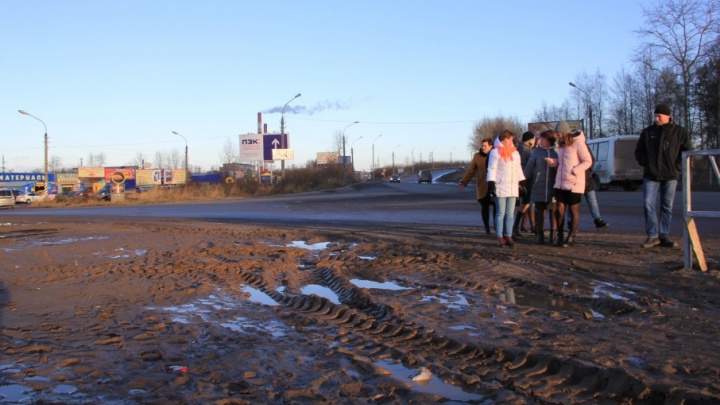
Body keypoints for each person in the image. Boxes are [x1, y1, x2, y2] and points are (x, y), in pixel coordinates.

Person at [634, 103, 692, 248]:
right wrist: (647, 163)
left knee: (667, 206)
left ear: (668, 116)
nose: (656, 118)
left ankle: (664, 235)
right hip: (651, 174)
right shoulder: (648, 132)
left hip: (671, 174)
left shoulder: (679, 132)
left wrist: (677, 167)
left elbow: (687, 151)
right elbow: (639, 151)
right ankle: (652, 235)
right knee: (648, 203)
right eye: (655, 116)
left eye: (659, 116)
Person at [551, 121, 592, 247]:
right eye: (557, 134)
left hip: (574, 182)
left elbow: (588, 161)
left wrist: (575, 170)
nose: (558, 136)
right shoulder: (561, 146)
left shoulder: (578, 143)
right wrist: (555, 162)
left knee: (573, 209)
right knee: (559, 209)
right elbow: (564, 162)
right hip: (561, 182)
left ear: (565, 132)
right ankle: (560, 235)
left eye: (560, 134)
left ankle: (572, 235)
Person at [487, 130, 526, 247]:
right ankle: (499, 236)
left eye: (512, 139)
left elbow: (518, 168)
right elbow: (491, 169)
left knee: (510, 213)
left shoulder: (515, 153)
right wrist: (491, 183)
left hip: (513, 187)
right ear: (503, 139)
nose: (511, 141)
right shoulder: (495, 152)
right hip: (501, 186)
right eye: (509, 139)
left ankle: (508, 235)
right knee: (500, 213)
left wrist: (522, 182)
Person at [523, 129, 558, 244]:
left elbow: (562, 167)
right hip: (538, 185)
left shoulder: (556, 151)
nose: (541, 141)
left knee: (553, 210)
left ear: (550, 140)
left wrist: (554, 164)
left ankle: (554, 233)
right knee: (540, 210)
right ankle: (541, 233)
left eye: (544, 139)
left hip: (553, 186)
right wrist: (523, 179)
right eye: (541, 139)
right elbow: (529, 167)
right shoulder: (536, 152)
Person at [458, 138, 495, 234]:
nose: (482, 147)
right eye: (482, 145)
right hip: (483, 186)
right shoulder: (477, 156)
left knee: (497, 207)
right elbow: (471, 170)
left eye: (485, 146)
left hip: (495, 186)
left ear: (490, 146)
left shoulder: (495, 154)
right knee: (485, 207)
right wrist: (464, 182)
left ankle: (497, 227)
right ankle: (487, 228)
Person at [512, 131, 536, 238]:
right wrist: (522, 182)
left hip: (525, 181)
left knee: (528, 204)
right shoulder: (524, 151)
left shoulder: (524, 149)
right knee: (525, 204)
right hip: (525, 182)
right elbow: (522, 167)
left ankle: (523, 226)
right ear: (530, 140)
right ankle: (514, 227)